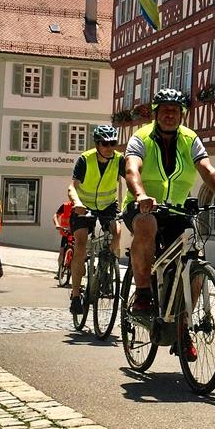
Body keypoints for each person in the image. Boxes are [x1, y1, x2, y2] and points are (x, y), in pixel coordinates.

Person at [122, 88, 215, 358]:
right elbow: (132, 169)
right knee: (146, 224)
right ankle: (142, 294)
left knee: (193, 260)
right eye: (164, 110)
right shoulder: (140, 138)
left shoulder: (191, 139)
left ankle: (182, 328)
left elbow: (208, 169)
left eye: (175, 111)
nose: (170, 115)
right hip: (143, 206)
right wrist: (140, 195)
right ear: (155, 113)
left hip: (175, 210)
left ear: (183, 115)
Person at [67, 124, 125, 315]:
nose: (109, 147)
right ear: (97, 144)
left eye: (113, 143)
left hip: (108, 205)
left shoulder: (119, 160)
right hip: (84, 206)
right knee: (81, 244)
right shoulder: (85, 159)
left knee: (117, 233)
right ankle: (76, 296)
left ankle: (106, 268)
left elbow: (132, 181)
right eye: (105, 143)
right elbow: (72, 186)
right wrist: (76, 203)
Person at [53, 198, 75, 281]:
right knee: (62, 252)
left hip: (76, 234)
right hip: (66, 233)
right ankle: (60, 270)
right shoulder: (65, 206)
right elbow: (56, 215)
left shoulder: (82, 207)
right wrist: (57, 224)